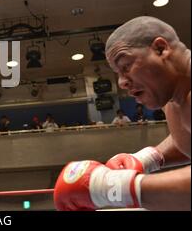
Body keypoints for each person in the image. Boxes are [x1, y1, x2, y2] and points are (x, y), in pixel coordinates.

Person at [54, 16, 190, 211]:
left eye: (126, 66)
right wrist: (149, 157)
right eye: (118, 73)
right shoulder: (173, 97)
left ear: (161, 49)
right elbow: (185, 139)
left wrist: (112, 186)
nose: (121, 82)